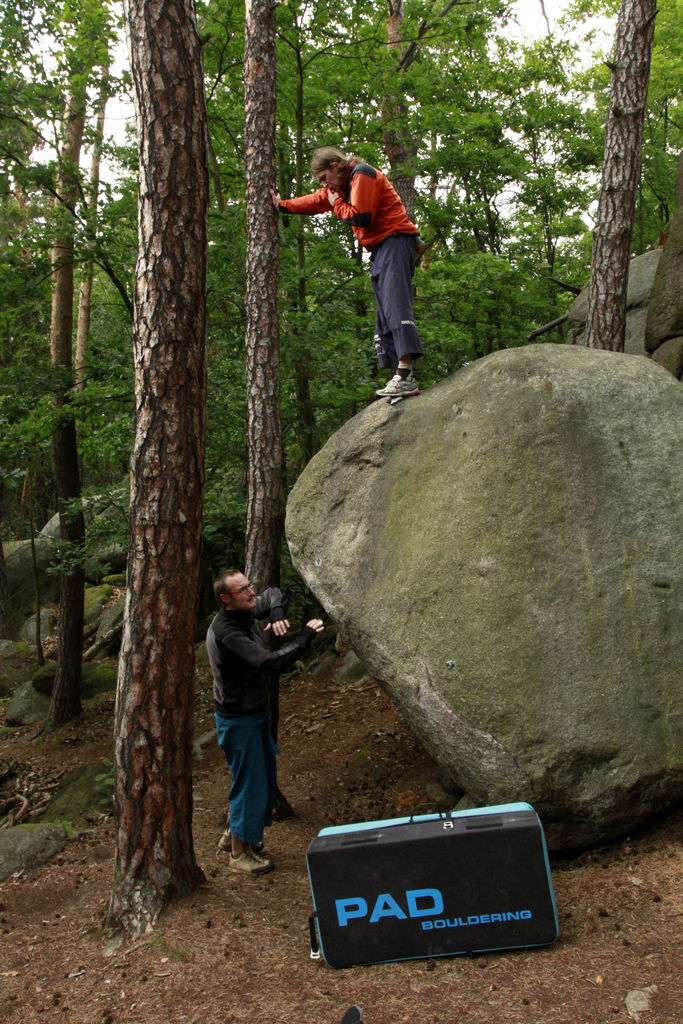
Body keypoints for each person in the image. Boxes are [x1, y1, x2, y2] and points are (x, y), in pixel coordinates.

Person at [270, 145, 425, 399]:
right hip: (381, 248)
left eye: (324, 177)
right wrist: (282, 205)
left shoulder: (362, 174)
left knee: (396, 305)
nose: (324, 184)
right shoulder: (338, 189)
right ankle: (400, 373)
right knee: (384, 313)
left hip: (396, 240)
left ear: (335, 165)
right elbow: (314, 201)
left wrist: (337, 203)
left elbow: (362, 216)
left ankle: (406, 375)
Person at [206, 569, 324, 876]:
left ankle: (236, 835)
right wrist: (304, 637)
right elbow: (269, 663)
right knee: (250, 783)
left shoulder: (244, 610)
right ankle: (237, 854)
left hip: (253, 714)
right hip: (238, 721)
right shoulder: (228, 632)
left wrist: (278, 613)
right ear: (225, 599)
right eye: (242, 590)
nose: (251, 593)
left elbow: (272, 593)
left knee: (262, 778)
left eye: (249, 586)